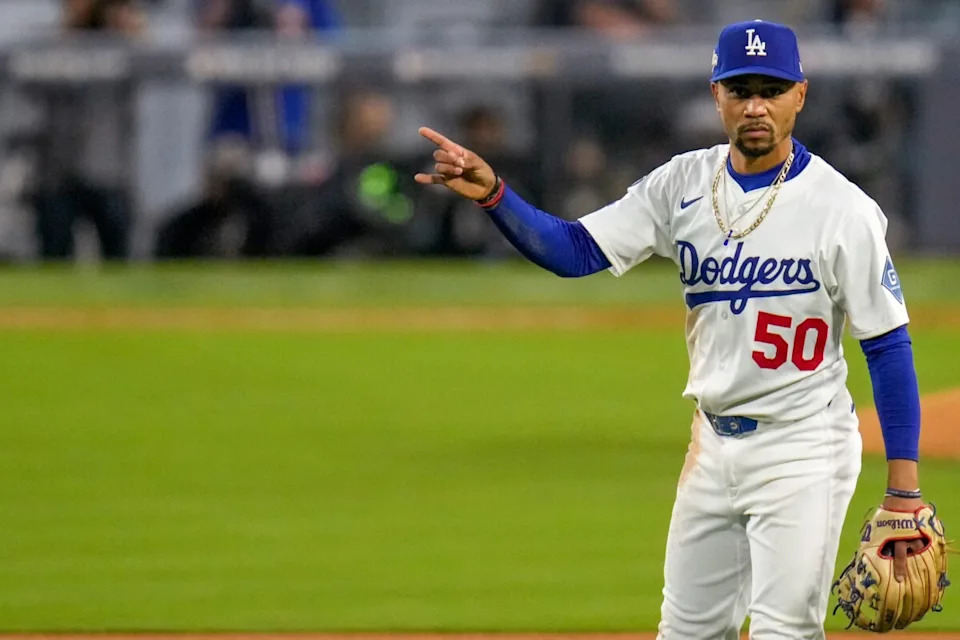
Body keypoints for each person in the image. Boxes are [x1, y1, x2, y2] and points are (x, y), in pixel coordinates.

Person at [415, 20, 944, 637]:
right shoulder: (682, 184)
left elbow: (887, 346)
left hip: (804, 448)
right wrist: (496, 196)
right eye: (739, 88)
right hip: (712, 446)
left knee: (783, 631)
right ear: (714, 94)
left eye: (770, 90)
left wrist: (903, 490)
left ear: (800, 94)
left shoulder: (842, 209)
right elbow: (577, 250)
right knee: (686, 633)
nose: (754, 106)